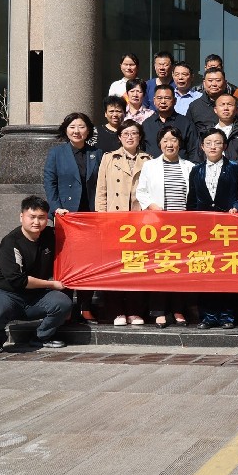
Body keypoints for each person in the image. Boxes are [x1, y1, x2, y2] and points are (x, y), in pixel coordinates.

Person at [0, 196, 71, 353]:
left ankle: (41, 337)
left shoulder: (49, 235)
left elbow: (73, 233)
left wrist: (66, 219)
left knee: (63, 303)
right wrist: (52, 284)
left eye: (41, 217)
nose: (37, 222)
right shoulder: (11, 242)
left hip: (37, 297)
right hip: (7, 294)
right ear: (21, 216)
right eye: (32, 217)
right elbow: (18, 280)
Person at [188, 127, 238, 329]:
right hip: (203, 230)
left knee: (226, 271)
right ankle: (208, 316)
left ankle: (227, 316)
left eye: (217, 143)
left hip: (228, 229)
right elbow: (192, 201)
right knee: (205, 272)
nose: (213, 146)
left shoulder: (234, 168)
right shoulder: (196, 170)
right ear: (202, 147)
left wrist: (237, 208)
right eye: (209, 143)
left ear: (225, 146)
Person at [135, 126, 194, 327]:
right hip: (158, 226)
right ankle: (159, 310)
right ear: (159, 143)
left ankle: (178, 309)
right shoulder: (150, 166)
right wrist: (151, 205)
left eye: (174, 140)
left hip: (183, 227)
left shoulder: (190, 166)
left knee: (180, 268)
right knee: (159, 266)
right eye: (166, 140)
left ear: (180, 143)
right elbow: (141, 192)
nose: (170, 144)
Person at [95, 119, 151, 327]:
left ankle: (135, 311)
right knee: (114, 266)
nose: (130, 137)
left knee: (137, 266)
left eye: (134, 133)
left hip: (138, 222)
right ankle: (116, 310)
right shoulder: (108, 158)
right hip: (114, 220)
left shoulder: (148, 160)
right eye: (125, 133)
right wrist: (101, 217)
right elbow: (101, 191)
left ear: (140, 137)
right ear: (119, 137)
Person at [44, 112, 101, 222]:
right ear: (66, 130)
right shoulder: (56, 153)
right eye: (72, 127)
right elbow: (50, 183)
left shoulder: (97, 153)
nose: (76, 131)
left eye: (81, 127)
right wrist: (56, 208)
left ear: (88, 130)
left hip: (92, 210)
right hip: (66, 211)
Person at [142, 84, 199, 160]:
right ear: (154, 101)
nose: (163, 101)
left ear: (175, 101)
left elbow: (194, 150)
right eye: (159, 98)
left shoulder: (186, 123)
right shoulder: (147, 124)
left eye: (167, 98)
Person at [209, 93, 238, 176]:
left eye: (229, 105)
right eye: (222, 105)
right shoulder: (207, 132)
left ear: (236, 110)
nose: (226, 108)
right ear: (215, 110)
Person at [186, 67, 235, 135]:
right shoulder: (195, 106)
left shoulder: (234, 104)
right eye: (210, 80)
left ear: (225, 83)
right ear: (204, 83)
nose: (214, 84)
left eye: (218, 80)